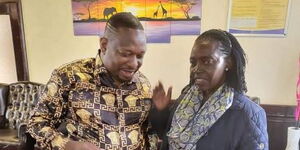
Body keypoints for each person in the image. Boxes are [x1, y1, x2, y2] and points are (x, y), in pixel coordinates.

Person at [27, 12, 156, 150]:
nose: (134, 64)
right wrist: (70, 146)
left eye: (140, 56)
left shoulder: (144, 85)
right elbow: (36, 123)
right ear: (104, 45)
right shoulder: (69, 77)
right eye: (126, 54)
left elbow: (147, 132)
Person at [152, 29, 269, 150]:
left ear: (228, 63)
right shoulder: (185, 100)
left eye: (207, 61)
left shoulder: (247, 114)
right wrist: (161, 111)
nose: (196, 69)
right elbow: (166, 135)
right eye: (193, 62)